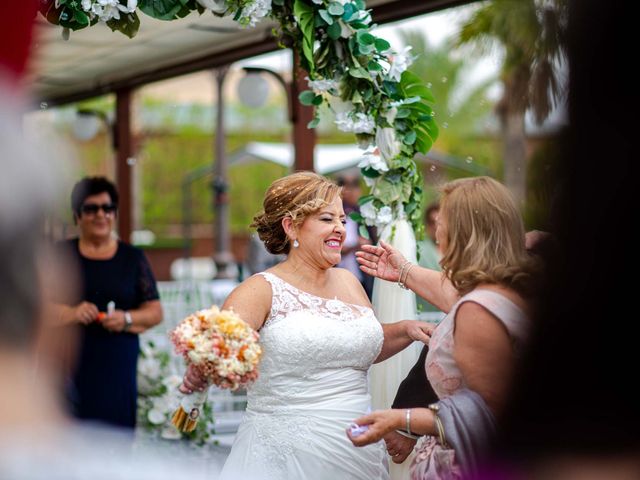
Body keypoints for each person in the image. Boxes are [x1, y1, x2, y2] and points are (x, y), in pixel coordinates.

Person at [181, 171, 434, 480]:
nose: (341, 229)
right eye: (328, 219)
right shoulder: (260, 290)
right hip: (286, 456)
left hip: (357, 450)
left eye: (342, 220)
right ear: (291, 227)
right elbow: (220, 348)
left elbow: (360, 346)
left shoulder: (349, 281)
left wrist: (404, 329)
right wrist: (203, 365)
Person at [349, 176, 539, 479]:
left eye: (444, 219)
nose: (437, 228)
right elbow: (455, 292)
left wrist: (400, 418)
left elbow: (487, 414)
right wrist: (405, 271)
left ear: (463, 232)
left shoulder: (477, 311)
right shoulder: (506, 291)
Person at [53, 177, 162, 429]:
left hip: (117, 362)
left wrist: (126, 319)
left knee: (116, 437)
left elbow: (154, 311)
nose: (100, 215)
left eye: (108, 208)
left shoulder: (132, 258)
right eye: (91, 209)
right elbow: (34, 305)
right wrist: (70, 312)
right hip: (69, 364)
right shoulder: (60, 255)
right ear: (77, 215)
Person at [336, 171, 375, 298]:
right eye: (344, 184)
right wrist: (355, 245)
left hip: (361, 277)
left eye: (354, 184)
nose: (350, 189)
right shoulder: (331, 216)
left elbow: (372, 244)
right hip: (336, 276)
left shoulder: (365, 216)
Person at [416, 202, 442, 317]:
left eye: (439, 222)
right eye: (432, 222)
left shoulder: (459, 250)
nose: (436, 226)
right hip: (426, 313)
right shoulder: (418, 249)